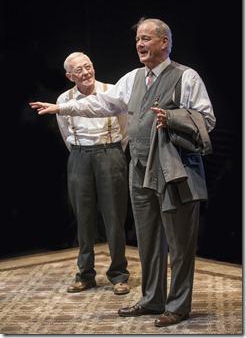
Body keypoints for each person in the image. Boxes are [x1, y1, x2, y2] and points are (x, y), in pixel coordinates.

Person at [30, 18, 216, 327]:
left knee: (180, 243)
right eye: (137, 40)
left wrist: (171, 118)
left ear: (164, 42)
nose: (140, 44)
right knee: (148, 240)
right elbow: (103, 104)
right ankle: (152, 299)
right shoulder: (132, 79)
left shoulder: (187, 77)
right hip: (140, 170)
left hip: (175, 170)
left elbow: (206, 120)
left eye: (146, 38)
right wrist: (63, 108)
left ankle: (178, 305)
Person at [42, 52, 131, 295]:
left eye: (88, 66)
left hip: (111, 153)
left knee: (114, 217)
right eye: (79, 70)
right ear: (70, 76)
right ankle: (85, 273)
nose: (86, 72)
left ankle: (118, 274)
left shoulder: (111, 91)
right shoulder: (64, 99)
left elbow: (125, 128)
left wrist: (111, 151)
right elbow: (65, 134)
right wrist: (82, 152)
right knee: (84, 217)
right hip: (80, 155)